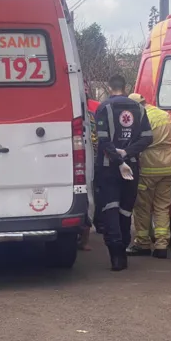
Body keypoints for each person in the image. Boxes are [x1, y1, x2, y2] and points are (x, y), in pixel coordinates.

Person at [94, 75, 153, 271]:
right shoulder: (139, 108)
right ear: (125, 87)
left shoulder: (103, 108)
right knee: (126, 210)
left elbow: (102, 139)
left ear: (110, 88)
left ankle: (116, 255)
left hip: (107, 166)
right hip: (132, 165)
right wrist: (127, 154)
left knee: (110, 208)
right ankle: (123, 248)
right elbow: (147, 138)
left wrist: (118, 158)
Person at [126, 93, 171, 259]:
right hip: (168, 165)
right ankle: (162, 245)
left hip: (149, 165)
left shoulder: (140, 116)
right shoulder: (163, 114)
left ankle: (143, 243)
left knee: (142, 207)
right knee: (162, 207)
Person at [78, 86, 101, 251]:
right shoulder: (94, 108)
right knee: (89, 198)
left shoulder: (93, 109)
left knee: (90, 199)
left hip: (92, 159)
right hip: (90, 159)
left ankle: (85, 238)